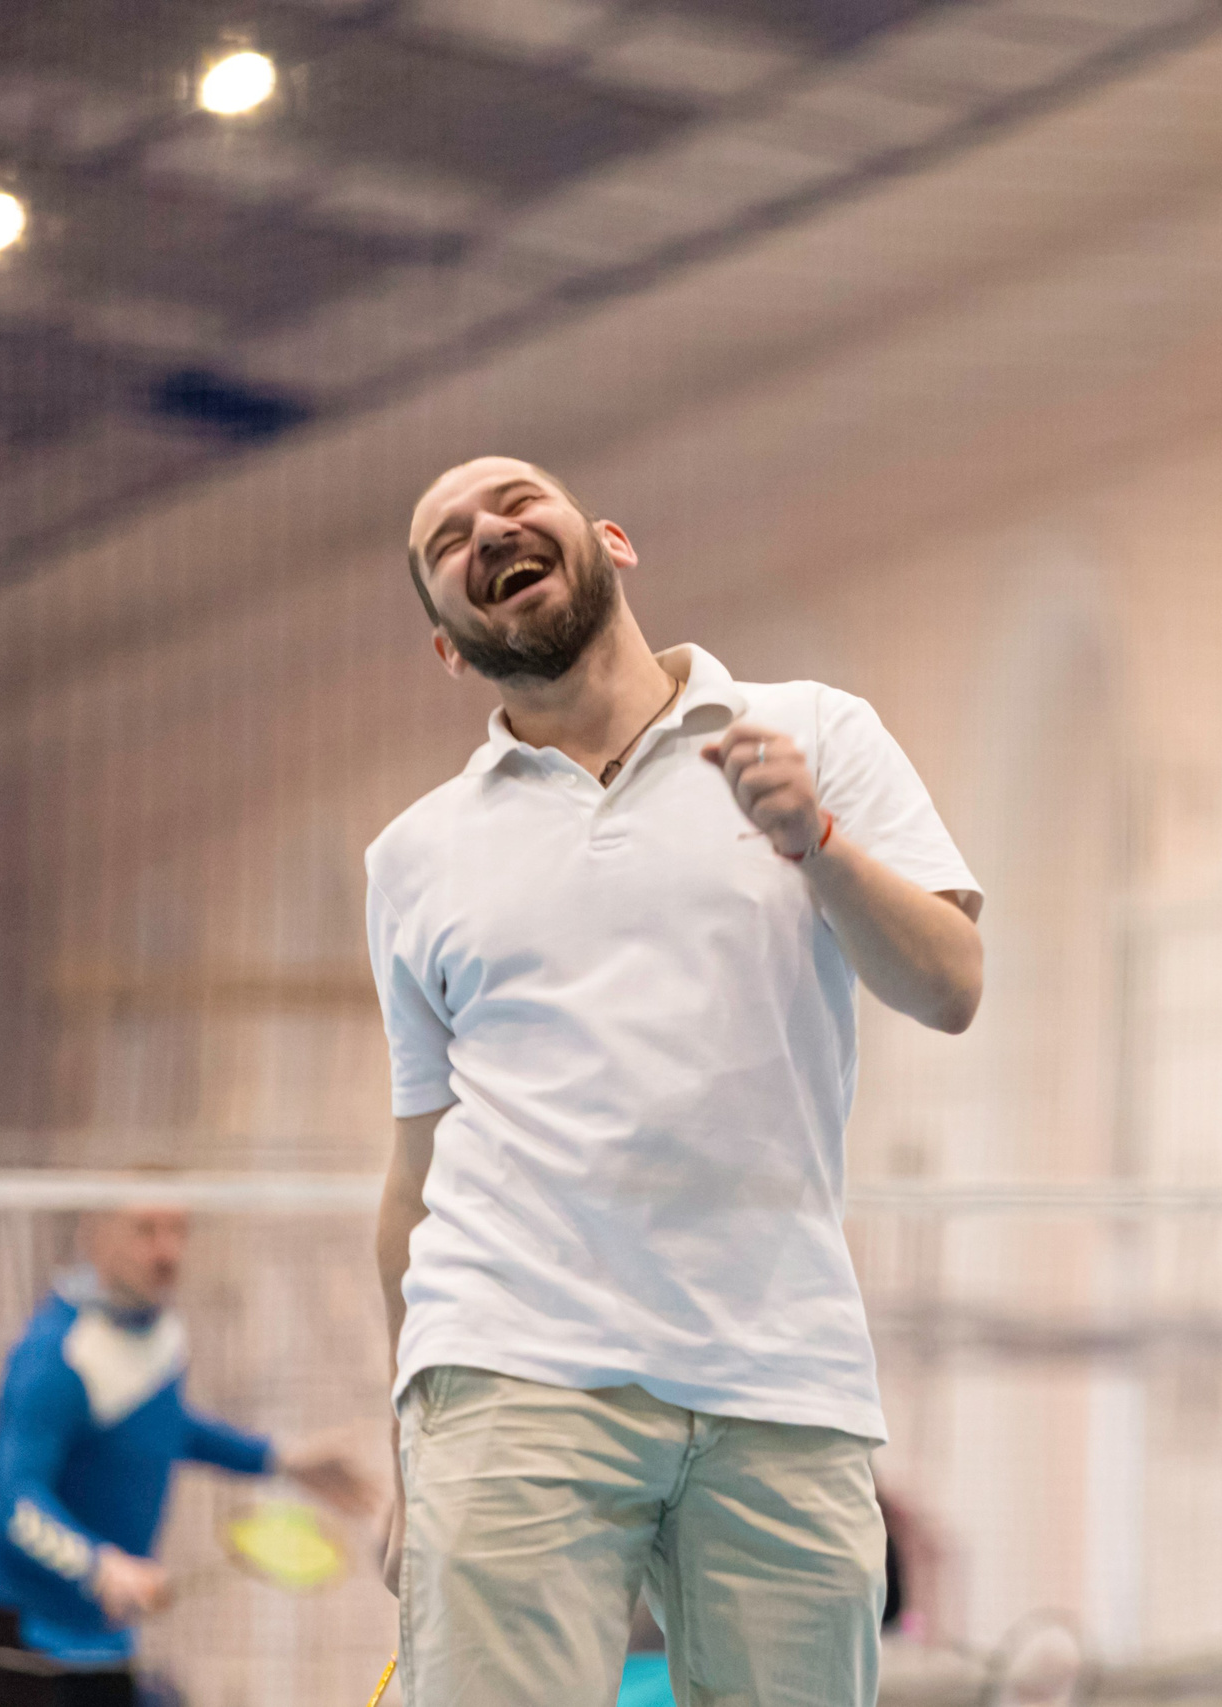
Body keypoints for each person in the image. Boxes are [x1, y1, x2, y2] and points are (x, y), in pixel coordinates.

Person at [370, 457, 984, 1705]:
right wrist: (410, 1454)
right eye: (448, 541)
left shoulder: (816, 733)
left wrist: (815, 846)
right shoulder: (414, 857)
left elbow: (950, 986)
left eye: (513, 502)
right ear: (449, 648)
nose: (489, 530)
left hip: (781, 1377)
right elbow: (413, 1179)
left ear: (610, 541)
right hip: (511, 1368)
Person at [0, 1203, 371, 1706]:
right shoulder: (53, 1355)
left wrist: (280, 1460)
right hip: (16, 1636)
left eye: (179, 1230)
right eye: (145, 1231)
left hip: (102, 1640)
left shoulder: (162, 1337)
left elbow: (165, 1427)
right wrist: (97, 1567)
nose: (167, 1250)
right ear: (96, 1235)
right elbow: (12, 1502)